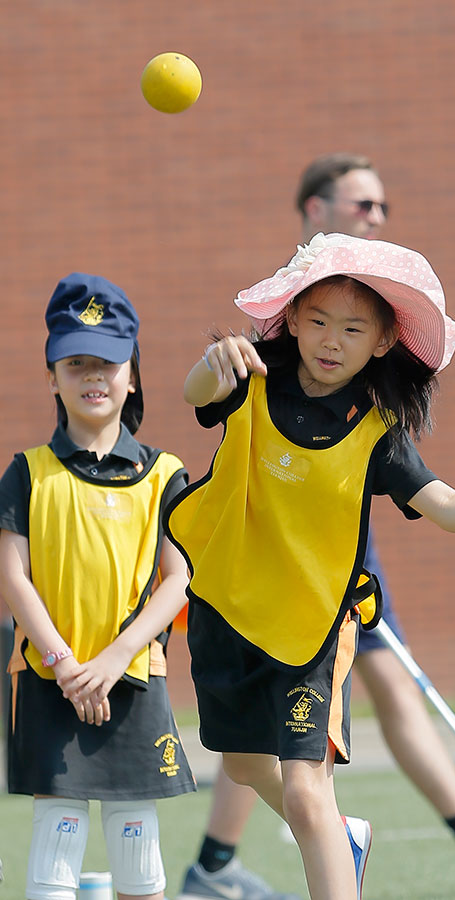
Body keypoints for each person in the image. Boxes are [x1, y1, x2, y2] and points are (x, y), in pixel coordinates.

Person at [177, 153, 455, 899]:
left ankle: (333, 851)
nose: (333, 340)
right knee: (238, 763)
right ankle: (342, 838)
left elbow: (445, 504)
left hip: (311, 626)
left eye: (354, 329)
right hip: (225, 609)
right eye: (320, 320)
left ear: (382, 342)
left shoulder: (378, 430)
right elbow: (194, 393)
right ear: (293, 318)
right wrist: (215, 359)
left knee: (305, 790)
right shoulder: (253, 381)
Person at [0, 274, 196, 900]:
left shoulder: (165, 474)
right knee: (54, 838)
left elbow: (178, 580)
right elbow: (12, 576)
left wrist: (110, 662)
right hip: (48, 676)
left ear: (133, 375)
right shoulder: (27, 473)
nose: (93, 376)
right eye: (76, 361)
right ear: (52, 375)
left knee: (137, 839)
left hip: (133, 678)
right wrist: (63, 663)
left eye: (109, 362)